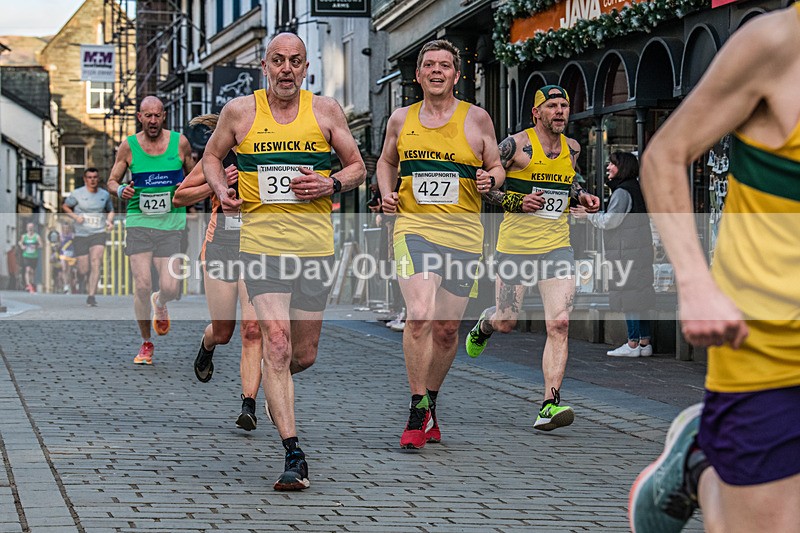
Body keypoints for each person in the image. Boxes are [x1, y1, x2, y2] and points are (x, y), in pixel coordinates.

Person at [628, 5, 800, 532]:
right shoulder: (777, 43)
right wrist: (695, 283)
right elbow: (665, 155)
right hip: (769, 343)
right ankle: (697, 467)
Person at [204, 33, 365, 490]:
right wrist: (221, 190)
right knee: (276, 343)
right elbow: (212, 157)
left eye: (295, 61)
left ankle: (275, 382)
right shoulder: (240, 112)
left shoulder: (326, 111)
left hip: (314, 249)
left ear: (306, 67)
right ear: (265, 66)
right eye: (278, 60)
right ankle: (294, 454)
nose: (287, 69)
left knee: (302, 355)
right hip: (260, 247)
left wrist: (331, 184)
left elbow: (358, 167)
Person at [376, 39, 504, 450]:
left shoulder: (477, 118)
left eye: (444, 65)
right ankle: (417, 407)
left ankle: (431, 400)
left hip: (464, 236)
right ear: (418, 75)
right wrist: (387, 192)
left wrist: (490, 179)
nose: (436, 71)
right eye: (429, 65)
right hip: (413, 229)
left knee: (447, 331)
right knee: (419, 314)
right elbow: (386, 161)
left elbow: (497, 166)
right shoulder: (401, 118)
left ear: (456, 74)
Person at [464, 85, 600, 432]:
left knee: (560, 323)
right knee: (506, 322)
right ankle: (486, 323)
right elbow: (486, 187)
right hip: (516, 247)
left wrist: (582, 197)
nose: (560, 111)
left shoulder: (572, 148)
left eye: (564, 105)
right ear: (536, 113)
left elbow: (567, 183)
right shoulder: (515, 145)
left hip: (557, 246)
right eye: (552, 105)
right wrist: (517, 202)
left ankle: (548, 405)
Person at [173, 113, 263, 432]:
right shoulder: (218, 156)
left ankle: (248, 404)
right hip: (221, 245)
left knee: (252, 329)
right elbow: (179, 196)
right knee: (224, 332)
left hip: (258, 247)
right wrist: (217, 182)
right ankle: (207, 344)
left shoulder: (268, 155)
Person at [107, 96, 195, 364]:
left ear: (164, 116)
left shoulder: (180, 143)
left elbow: (196, 175)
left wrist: (186, 188)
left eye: (157, 115)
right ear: (140, 117)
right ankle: (146, 342)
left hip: (171, 225)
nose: (153, 121)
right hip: (139, 222)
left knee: (171, 287)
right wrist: (121, 190)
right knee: (142, 285)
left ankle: (161, 302)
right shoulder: (129, 146)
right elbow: (111, 181)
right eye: (148, 116)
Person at [572, 151, 655, 357]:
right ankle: (644, 343)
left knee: (629, 295)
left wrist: (588, 216)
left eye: (612, 163)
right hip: (638, 251)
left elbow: (610, 221)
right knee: (640, 294)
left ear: (623, 167)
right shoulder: (636, 188)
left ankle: (632, 344)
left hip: (625, 253)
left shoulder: (622, 192)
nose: (608, 167)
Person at [62, 167, 115, 306]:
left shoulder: (104, 194)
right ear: (85, 179)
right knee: (84, 268)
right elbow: (65, 206)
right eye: (90, 177)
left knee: (96, 261)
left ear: (98, 179)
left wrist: (109, 221)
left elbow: (110, 210)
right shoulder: (77, 193)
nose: (92, 180)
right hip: (81, 234)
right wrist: (76, 217)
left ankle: (91, 296)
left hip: (98, 232)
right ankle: (80, 275)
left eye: (95, 177)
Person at [18, 222, 42, 293]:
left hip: (34, 256)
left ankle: (31, 283)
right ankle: (28, 285)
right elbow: (20, 242)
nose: (30, 229)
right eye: (29, 227)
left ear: (33, 228)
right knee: (27, 270)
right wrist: (22, 246)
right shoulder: (24, 236)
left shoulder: (37, 236)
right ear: (27, 228)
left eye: (31, 227)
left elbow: (41, 245)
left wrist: (36, 246)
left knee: (32, 271)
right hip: (26, 255)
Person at [57, 221, 78, 293]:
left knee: (69, 271)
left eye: (67, 228)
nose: (66, 229)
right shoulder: (60, 235)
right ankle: (65, 285)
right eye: (65, 228)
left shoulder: (72, 235)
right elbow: (59, 244)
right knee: (64, 269)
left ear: (69, 229)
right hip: (63, 254)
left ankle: (68, 285)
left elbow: (75, 244)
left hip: (71, 254)